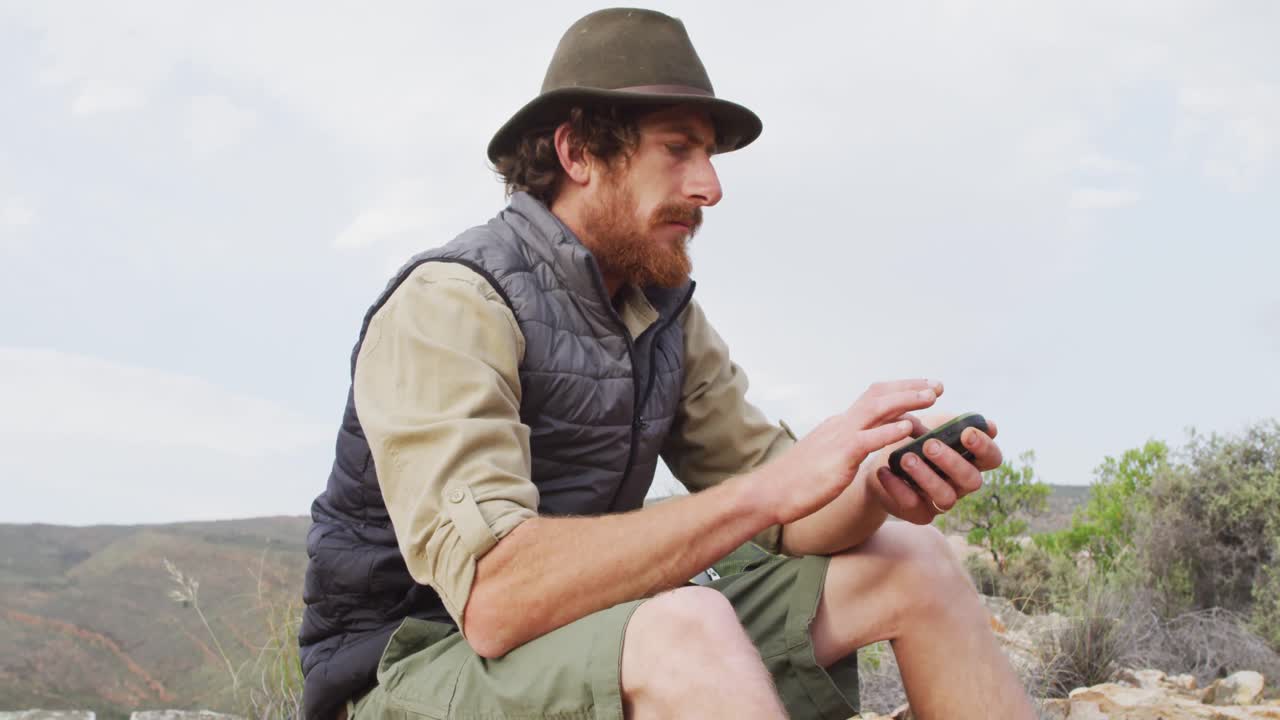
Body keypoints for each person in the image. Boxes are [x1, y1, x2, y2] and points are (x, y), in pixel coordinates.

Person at [299, 8, 1037, 720]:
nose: (710, 187)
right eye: (678, 150)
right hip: (411, 667)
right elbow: (497, 600)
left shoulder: (660, 312)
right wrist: (766, 495)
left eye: (709, 156)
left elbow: (794, 513)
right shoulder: (452, 305)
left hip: (580, 633)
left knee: (912, 561)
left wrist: (873, 481)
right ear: (578, 153)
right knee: (684, 628)